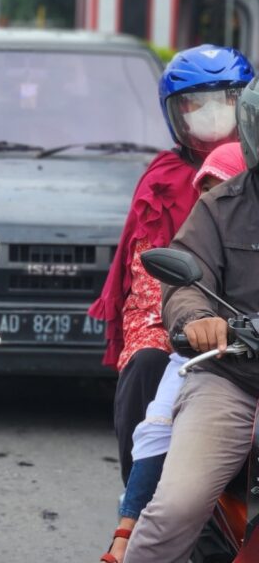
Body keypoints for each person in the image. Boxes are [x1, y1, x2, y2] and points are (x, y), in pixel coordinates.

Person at [88, 45, 253, 560]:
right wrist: (194, 320)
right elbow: (165, 277)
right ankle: (136, 508)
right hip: (224, 359)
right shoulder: (212, 198)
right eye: (194, 104)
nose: (208, 115)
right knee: (148, 368)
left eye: (221, 100)